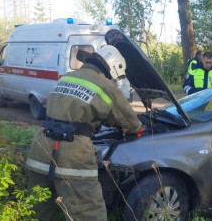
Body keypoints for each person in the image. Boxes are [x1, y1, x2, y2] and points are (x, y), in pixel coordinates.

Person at [25, 46, 142, 221]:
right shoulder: (106, 87)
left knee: (37, 212)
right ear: (113, 68)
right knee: (89, 213)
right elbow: (131, 123)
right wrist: (138, 130)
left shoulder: (68, 77)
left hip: (40, 149)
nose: (113, 80)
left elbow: (71, 109)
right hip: (73, 156)